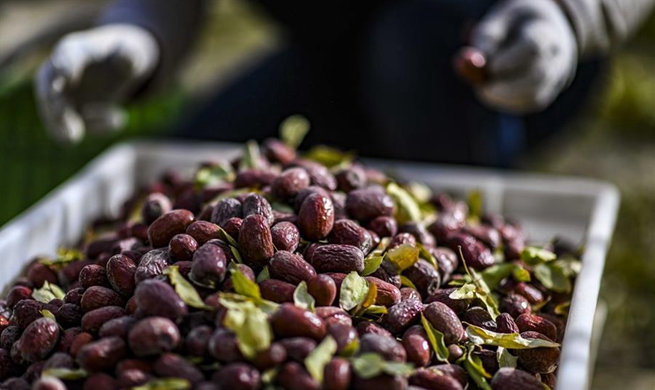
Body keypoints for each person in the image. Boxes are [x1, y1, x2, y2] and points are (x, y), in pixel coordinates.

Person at [35, 0, 654, 167]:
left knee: (412, 47)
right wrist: (138, 38)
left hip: (500, 57)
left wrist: (570, 15)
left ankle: (475, 211)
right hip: (337, 67)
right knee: (192, 167)